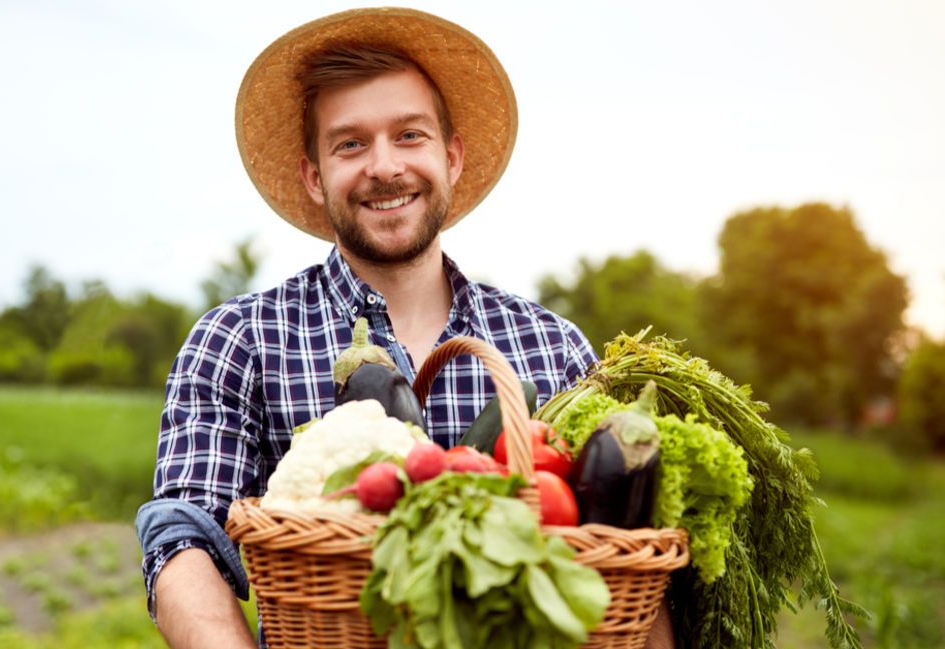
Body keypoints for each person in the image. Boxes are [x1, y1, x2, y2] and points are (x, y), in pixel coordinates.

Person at [136, 8, 670, 648]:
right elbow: (184, 537)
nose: (384, 167)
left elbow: (625, 555)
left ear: (452, 157)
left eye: (410, 135)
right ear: (314, 176)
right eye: (350, 143)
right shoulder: (238, 339)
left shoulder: (555, 347)